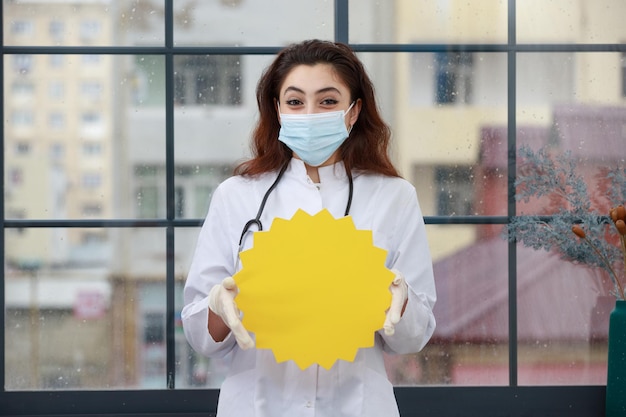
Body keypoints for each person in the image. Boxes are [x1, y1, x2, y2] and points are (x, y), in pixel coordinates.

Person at [182, 39, 436, 417]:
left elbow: (414, 338)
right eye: (296, 101)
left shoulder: (394, 197)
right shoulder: (236, 196)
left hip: (358, 406)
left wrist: (393, 299)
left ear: (353, 111)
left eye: (328, 101)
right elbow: (201, 337)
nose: (310, 113)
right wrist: (220, 305)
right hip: (257, 405)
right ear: (277, 110)